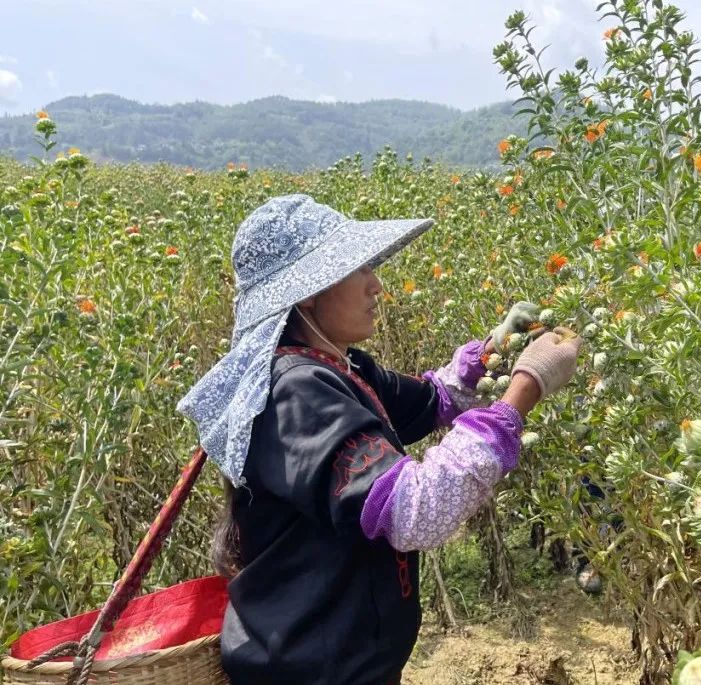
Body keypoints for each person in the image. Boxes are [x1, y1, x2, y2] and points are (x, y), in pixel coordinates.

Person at [176, 194, 583, 685]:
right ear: (308, 291)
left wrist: (492, 352)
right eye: (359, 268)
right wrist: (526, 385)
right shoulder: (297, 392)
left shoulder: (340, 366)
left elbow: (432, 399)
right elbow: (416, 509)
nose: (377, 285)